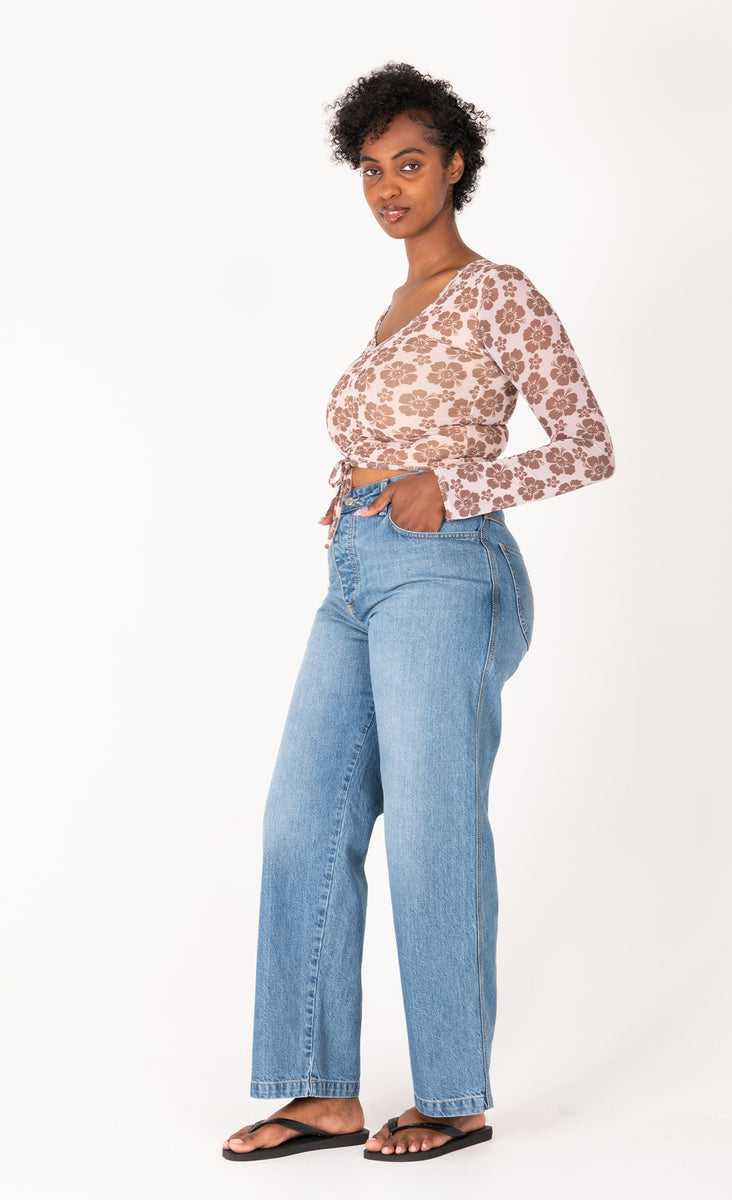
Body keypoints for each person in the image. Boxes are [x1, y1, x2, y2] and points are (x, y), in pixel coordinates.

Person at [222, 61, 615, 1164]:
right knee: (304, 820)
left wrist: (455, 488)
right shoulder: (393, 306)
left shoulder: (499, 293)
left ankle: (450, 1092)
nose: (388, 186)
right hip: (354, 570)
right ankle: (317, 1089)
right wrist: (354, 510)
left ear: (454, 167)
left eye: (408, 163)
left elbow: (588, 445)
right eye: (370, 169)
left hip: (446, 567)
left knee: (431, 834)